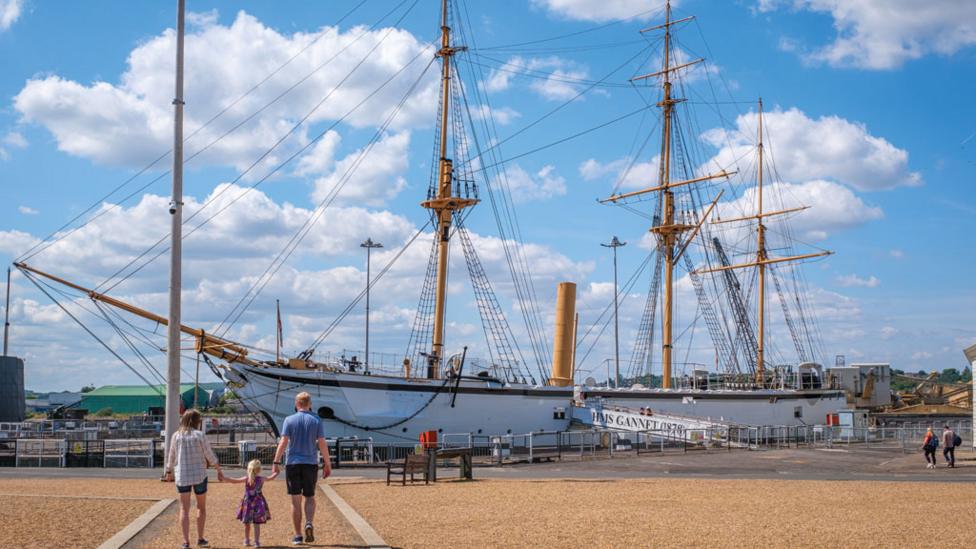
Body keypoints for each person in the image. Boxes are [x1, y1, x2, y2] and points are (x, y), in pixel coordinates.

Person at [272, 392, 333, 545]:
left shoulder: (289, 420)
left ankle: (298, 535)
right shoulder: (316, 420)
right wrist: (327, 463)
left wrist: (276, 461)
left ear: (296, 404)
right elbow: (322, 443)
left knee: (295, 501)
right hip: (310, 463)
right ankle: (309, 522)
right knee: (310, 497)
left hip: (293, 463)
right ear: (310, 404)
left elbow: (283, 442)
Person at [164, 409, 223, 549]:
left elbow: (171, 455)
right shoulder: (199, 435)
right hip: (199, 475)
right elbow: (209, 455)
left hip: (182, 476)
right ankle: (201, 539)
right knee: (201, 507)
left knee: (184, 509)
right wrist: (219, 470)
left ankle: (186, 542)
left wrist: (168, 471)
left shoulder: (176, 436)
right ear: (197, 421)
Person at [223, 459, 279, 547]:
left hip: (248, 502)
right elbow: (271, 477)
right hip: (258, 502)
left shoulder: (247, 479)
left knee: (247, 523)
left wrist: (224, 478)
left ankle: (247, 540)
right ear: (259, 469)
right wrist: (276, 472)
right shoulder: (261, 479)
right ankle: (256, 542)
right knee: (257, 523)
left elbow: (234, 481)